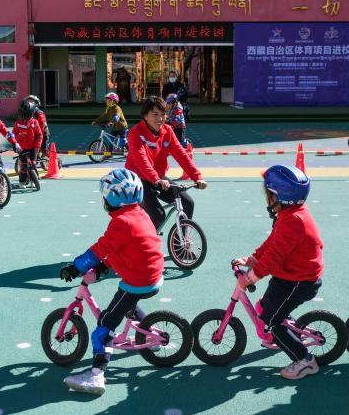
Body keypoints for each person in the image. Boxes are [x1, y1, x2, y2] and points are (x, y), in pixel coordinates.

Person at [60, 168, 163, 395]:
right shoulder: (140, 213)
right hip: (151, 274)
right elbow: (127, 249)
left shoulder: (121, 223)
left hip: (138, 279)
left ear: (112, 198)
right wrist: (104, 267)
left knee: (105, 324)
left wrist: (75, 267)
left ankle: (97, 375)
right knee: (129, 303)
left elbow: (100, 249)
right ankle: (151, 334)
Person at [233, 165, 324, 380]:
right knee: (267, 307)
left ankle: (305, 360)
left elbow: (274, 258)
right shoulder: (289, 214)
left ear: (279, 196)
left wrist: (250, 277)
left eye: (269, 194)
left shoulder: (294, 221)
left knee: (270, 321)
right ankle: (285, 329)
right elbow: (273, 243)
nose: (267, 198)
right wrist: (253, 258)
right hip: (289, 275)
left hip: (300, 281)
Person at [125, 96, 206, 230]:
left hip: (158, 178)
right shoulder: (136, 133)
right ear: (145, 115)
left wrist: (197, 177)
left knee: (188, 203)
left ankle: (181, 248)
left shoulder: (167, 131)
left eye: (163, 114)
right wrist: (156, 179)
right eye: (155, 114)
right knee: (158, 215)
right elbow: (142, 161)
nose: (160, 119)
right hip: (138, 179)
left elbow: (181, 155)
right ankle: (145, 245)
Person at [13, 99, 43, 189]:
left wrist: (37, 147)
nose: (25, 118)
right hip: (22, 148)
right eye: (23, 115)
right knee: (23, 166)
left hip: (33, 148)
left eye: (28, 115)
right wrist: (19, 136)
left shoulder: (35, 122)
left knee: (33, 164)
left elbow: (39, 135)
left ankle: (34, 180)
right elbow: (13, 136)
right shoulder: (18, 123)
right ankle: (22, 181)